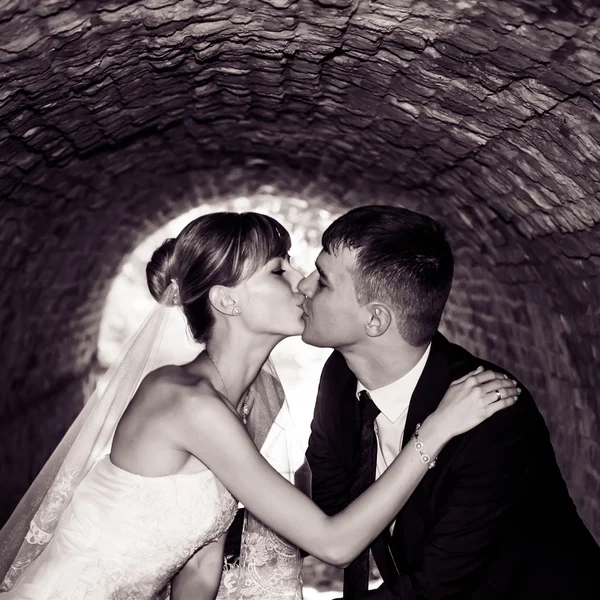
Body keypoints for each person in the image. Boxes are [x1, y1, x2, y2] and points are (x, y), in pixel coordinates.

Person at [0, 212, 518, 600]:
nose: (301, 282)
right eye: (278, 270)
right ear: (227, 301)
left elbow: (201, 562)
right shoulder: (187, 402)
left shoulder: (247, 399)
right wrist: (436, 431)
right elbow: (334, 543)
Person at [301, 205, 600, 600]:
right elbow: (330, 511)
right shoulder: (339, 376)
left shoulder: (495, 418)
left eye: (322, 281)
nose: (304, 286)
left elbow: (436, 591)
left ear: (375, 320)